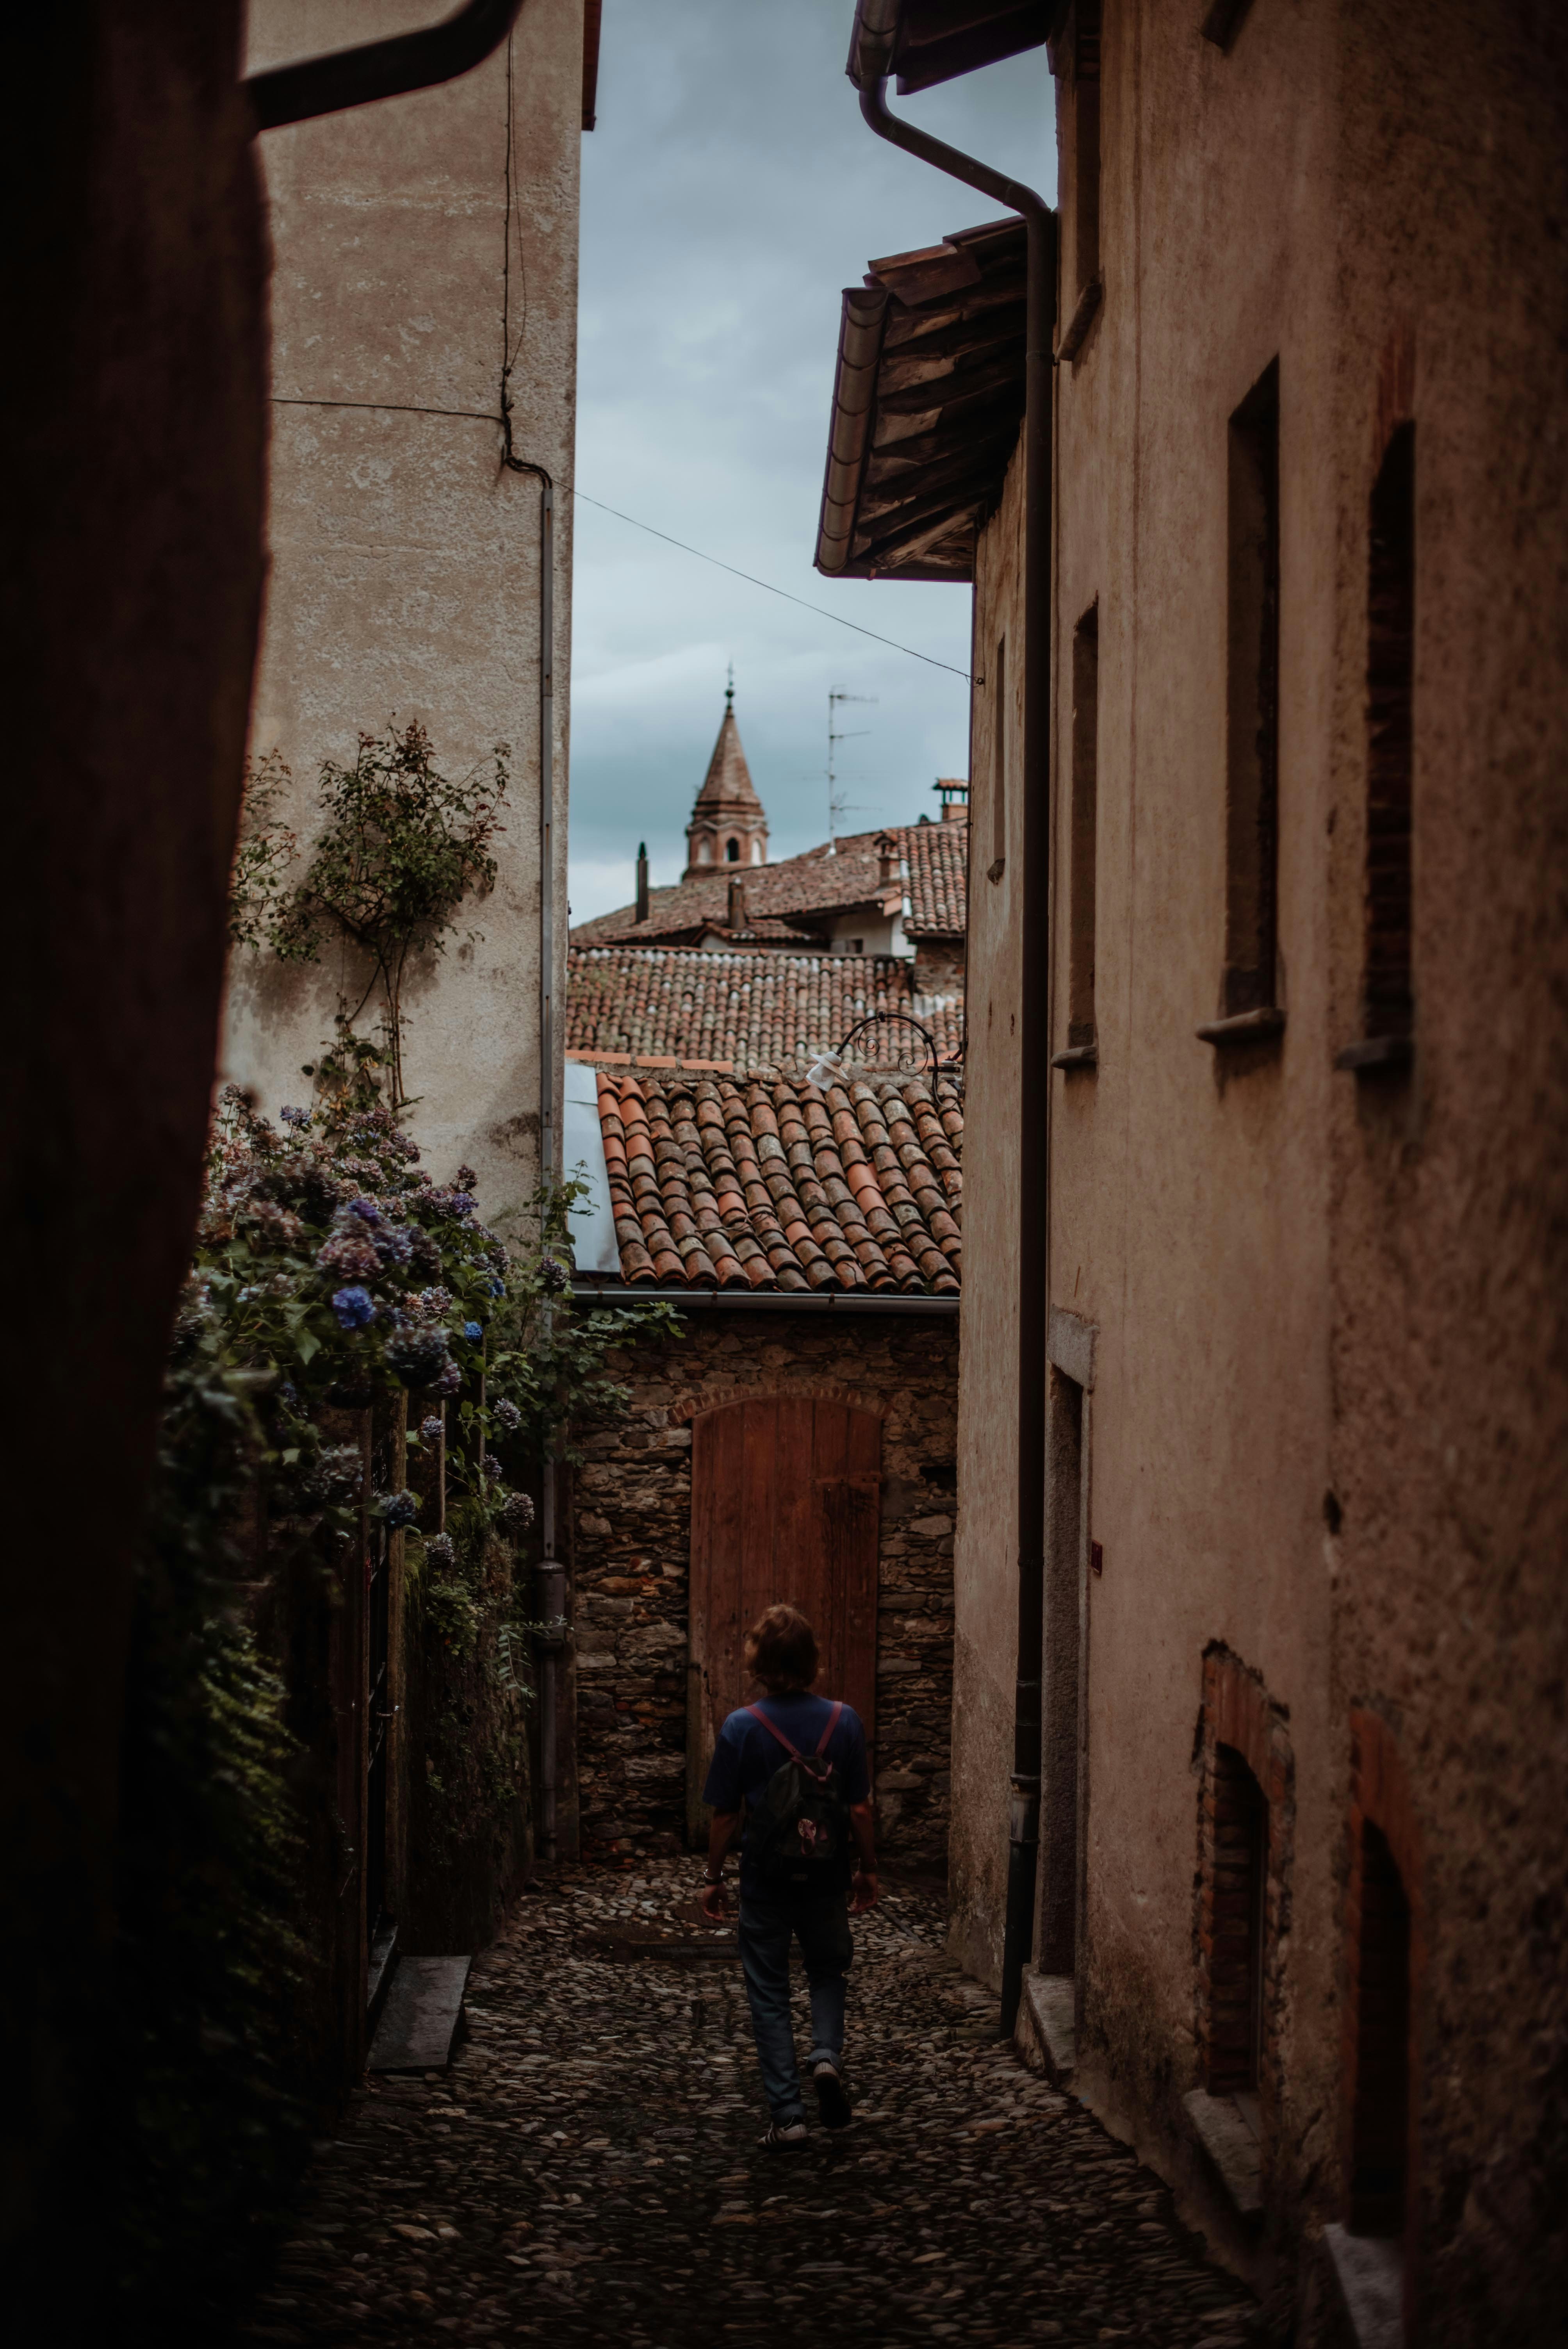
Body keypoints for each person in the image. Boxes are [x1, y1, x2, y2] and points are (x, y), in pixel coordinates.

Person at [699, 1603, 878, 2148]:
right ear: (811, 1660)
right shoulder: (843, 1721)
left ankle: (788, 2116)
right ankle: (825, 2055)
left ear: (757, 1662)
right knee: (828, 1971)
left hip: (765, 1881)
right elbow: (861, 1810)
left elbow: (727, 1814)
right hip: (825, 1878)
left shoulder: (740, 1727)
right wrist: (867, 1869)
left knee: (769, 1992)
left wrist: (713, 1877)